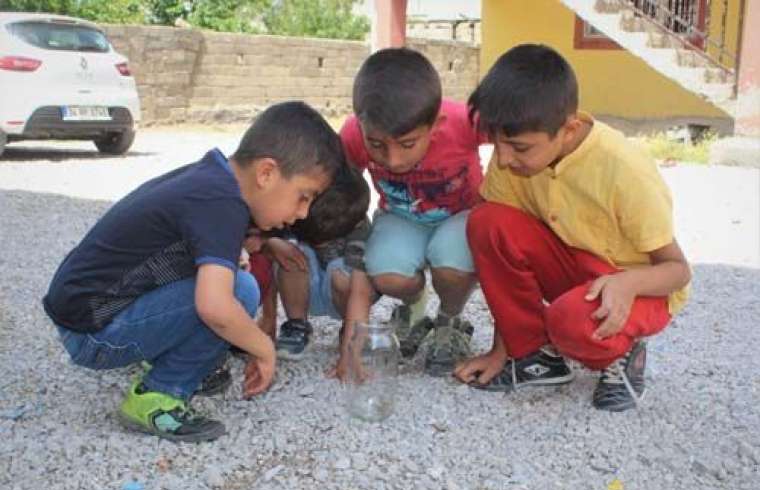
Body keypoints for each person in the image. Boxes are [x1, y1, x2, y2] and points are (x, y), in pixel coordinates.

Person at [42, 101, 344, 441]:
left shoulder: (212, 180)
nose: (303, 213)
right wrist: (264, 348)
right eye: (303, 196)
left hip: (85, 316)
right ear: (266, 173)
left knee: (228, 279)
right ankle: (159, 395)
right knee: (238, 292)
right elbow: (214, 308)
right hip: (93, 334)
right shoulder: (221, 203)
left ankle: (171, 358)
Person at [455, 44, 691, 412]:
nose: (503, 159)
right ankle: (534, 356)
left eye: (518, 147)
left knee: (570, 322)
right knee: (487, 221)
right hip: (577, 275)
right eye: (496, 144)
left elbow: (677, 271)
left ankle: (623, 354)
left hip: (638, 288)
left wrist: (627, 284)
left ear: (569, 130)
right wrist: (503, 350)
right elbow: (497, 250)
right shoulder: (512, 161)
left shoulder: (623, 169)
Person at [340, 47, 485, 376]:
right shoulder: (352, 134)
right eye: (376, 144)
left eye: (407, 144)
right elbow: (343, 185)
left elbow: (513, 138)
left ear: (437, 124)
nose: (393, 160)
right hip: (400, 216)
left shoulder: (464, 122)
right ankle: (415, 312)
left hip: (460, 214)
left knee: (452, 262)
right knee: (387, 274)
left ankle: (449, 322)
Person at [269, 167, 375, 372]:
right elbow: (264, 246)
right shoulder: (297, 211)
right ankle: (297, 325)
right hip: (307, 289)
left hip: (344, 294)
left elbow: (360, 290)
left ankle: (351, 328)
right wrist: (272, 243)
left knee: (343, 272)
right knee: (290, 253)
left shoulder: (358, 227)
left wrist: (349, 350)